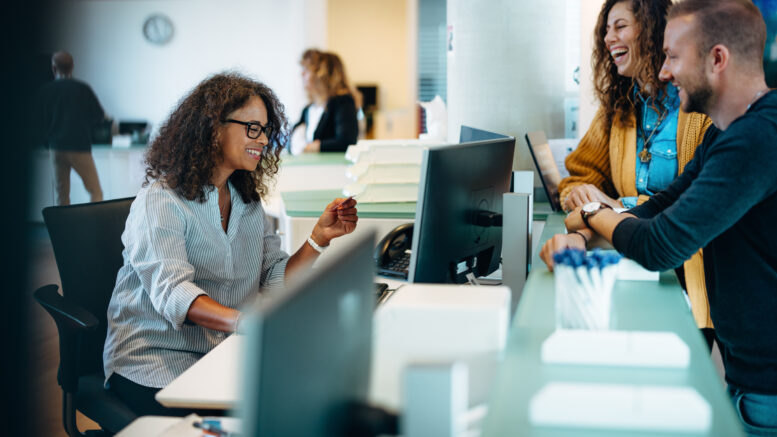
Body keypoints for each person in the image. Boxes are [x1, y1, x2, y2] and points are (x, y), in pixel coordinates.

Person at [541, 0, 777, 433]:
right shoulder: (725, 135)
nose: (664, 72)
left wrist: (591, 212)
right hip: (747, 374)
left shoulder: (757, 139)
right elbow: (657, 208)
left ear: (717, 59)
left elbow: (658, 244)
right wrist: (583, 234)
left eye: (673, 57)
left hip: (767, 388)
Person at [102, 73, 359, 416]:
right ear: (213, 129)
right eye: (253, 128)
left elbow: (272, 277)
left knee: (311, 394)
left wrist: (318, 238)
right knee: (270, 413)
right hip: (153, 361)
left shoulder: (246, 201)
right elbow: (174, 293)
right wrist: (247, 323)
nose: (263, 139)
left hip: (219, 353)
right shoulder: (161, 200)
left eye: (265, 129)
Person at [558, 0, 716, 344]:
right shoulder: (619, 105)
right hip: (631, 260)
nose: (608, 38)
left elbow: (695, 203)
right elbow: (578, 174)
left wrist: (612, 207)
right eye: (606, 30)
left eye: (620, 26)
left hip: (686, 271)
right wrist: (581, 195)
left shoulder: (699, 107)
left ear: (652, 30)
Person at [38, 51, 105, 205]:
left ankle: (62, 222)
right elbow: (99, 116)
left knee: (61, 195)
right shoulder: (83, 89)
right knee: (95, 191)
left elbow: (39, 122)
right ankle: (95, 219)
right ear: (72, 66)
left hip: (56, 148)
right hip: (79, 147)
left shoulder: (46, 90)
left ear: (54, 68)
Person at [292, 49, 359, 153]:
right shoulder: (308, 109)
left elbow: (346, 141)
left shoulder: (343, 102)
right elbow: (291, 140)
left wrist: (308, 147)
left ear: (323, 75)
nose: (302, 73)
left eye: (307, 70)